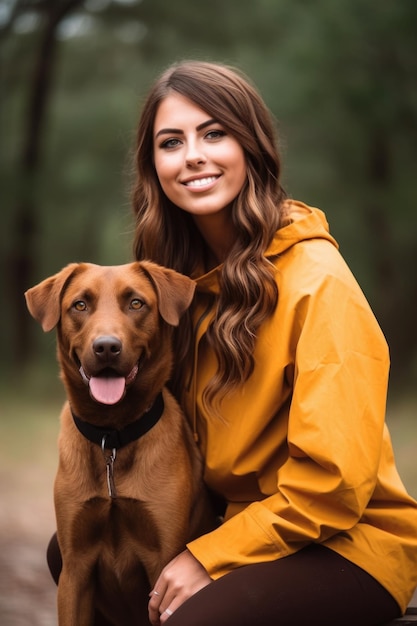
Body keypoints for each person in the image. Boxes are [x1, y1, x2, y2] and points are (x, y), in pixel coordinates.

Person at [46, 60, 417, 625]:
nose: (193, 155)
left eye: (214, 133)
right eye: (172, 142)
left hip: (344, 544)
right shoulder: (180, 287)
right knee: (74, 557)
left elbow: (334, 488)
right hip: (242, 526)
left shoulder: (318, 281)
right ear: (155, 167)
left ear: (252, 147)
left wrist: (210, 555)